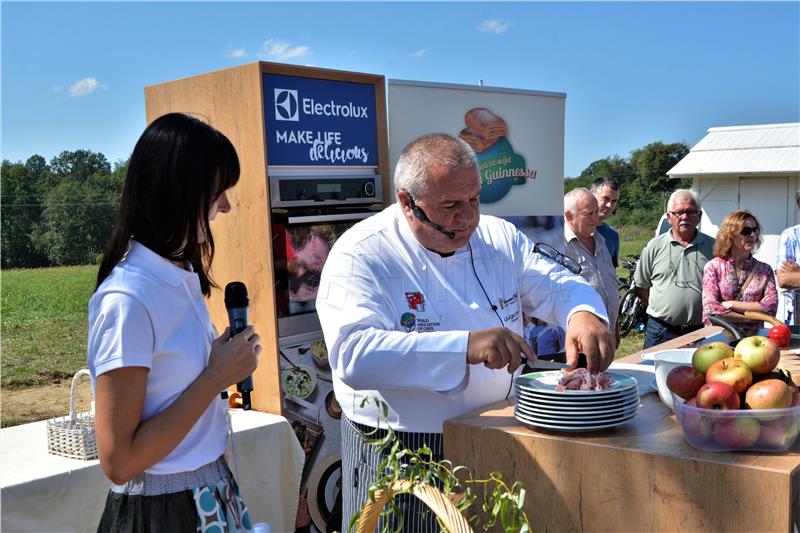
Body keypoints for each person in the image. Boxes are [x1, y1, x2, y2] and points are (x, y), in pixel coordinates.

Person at [316, 133, 613, 532]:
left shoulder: (498, 237)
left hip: (496, 435)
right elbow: (354, 354)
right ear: (407, 203)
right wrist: (465, 347)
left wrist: (581, 312)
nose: (469, 217)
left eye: (474, 199)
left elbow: (557, 285)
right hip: (402, 449)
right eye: (451, 205)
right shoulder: (362, 252)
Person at [88, 113, 262, 532]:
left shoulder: (179, 275)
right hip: (163, 512)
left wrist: (219, 370)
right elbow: (119, 461)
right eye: (217, 192)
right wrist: (215, 377)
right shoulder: (127, 298)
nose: (226, 205)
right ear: (179, 193)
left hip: (207, 493)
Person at [634, 189, 715, 348]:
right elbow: (641, 287)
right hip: (661, 331)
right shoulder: (654, 246)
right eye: (679, 212)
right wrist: (662, 309)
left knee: (697, 373)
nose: (685, 217)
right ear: (669, 217)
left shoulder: (714, 247)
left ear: (699, 216)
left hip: (700, 331)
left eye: (690, 212)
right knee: (654, 372)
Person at [701, 210, 777, 329]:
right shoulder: (713, 267)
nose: (752, 235)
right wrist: (754, 316)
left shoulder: (765, 270)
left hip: (754, 339)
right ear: (730, 235)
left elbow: (771, 307)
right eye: (746, 231)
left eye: (755, 230)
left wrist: (732, 304)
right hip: (719, 338)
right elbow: (712, 310)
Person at [564, 188, 620, 346]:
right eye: (589, 214)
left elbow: (610, 284)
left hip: (606, 334)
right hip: (578, 341)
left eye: (596, 212)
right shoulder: (558, 247)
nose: (596, 219)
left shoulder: (601, 241)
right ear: (569, 216)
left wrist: (615, 328)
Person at [776, 190, 800, 325]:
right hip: (797, 317)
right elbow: (784, 279)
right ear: (798, 205)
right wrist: (792, 277)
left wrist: (798, 274)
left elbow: (792, 279)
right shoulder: (791, 236)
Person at [591, 177, 621, 267]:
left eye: (614, 201)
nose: (609, 205)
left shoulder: (613, 235)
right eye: (606, 199)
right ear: (591, 195)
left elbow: (611, 272)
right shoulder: (571, 231)